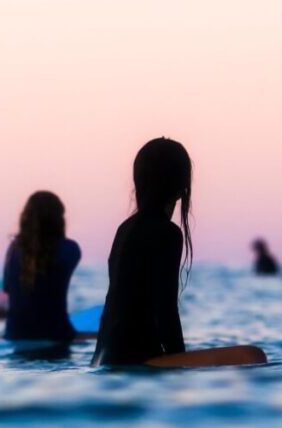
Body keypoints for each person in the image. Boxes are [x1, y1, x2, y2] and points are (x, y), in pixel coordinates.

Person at [93, 137, 265, 367]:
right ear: (180, 187)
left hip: (103, 358)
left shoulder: (124, 229)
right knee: (253, 356)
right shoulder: (167, 232)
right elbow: (166, 311)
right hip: (136, 360)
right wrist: (180, 365)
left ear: (139, 182)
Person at [3, 191, 81, 342]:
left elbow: (7, 290)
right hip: (56, 335)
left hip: (15, 336)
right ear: (59, 219)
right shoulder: (71, 249)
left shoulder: (13, 249)